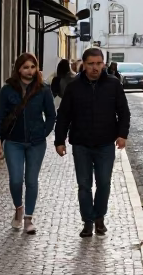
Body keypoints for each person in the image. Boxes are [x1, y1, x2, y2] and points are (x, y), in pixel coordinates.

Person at [55, 47, 130, 238]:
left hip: (106, 143)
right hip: (81, 143)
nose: (95, 67)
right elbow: (64, 115)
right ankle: (87, 221)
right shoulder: (74, 86)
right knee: (84, 184)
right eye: (91, 64)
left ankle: (99, 218)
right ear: (84, 64)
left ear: (103, 64)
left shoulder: (113, 84)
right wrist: (59, 140)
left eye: (98, 63)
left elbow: (123, 112)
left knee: (104, 182)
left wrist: (122, 135)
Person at [0, 53, 56, 235]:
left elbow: (51, 115)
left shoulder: (43, 89)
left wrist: (44, 133)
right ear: (19, 69)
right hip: (13, 142)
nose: (29, 71)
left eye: (32, 67)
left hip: (36, 143)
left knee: (32, 180)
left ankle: (28, 219)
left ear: (36, 69)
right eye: (26, 67)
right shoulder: (7, 90)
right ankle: (18, 208)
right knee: (16, 179)